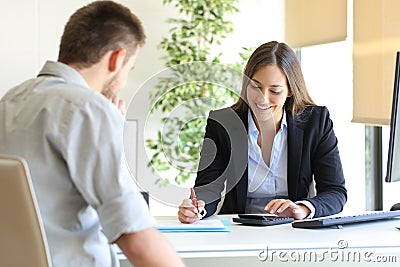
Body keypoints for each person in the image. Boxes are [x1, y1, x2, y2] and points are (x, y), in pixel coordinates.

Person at [0, 1, 185, 267]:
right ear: (117, 59)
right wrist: (103, 121)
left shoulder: (11, 100)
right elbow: (137, 240)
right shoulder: (87, 109)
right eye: (129, 69)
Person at [178, 41, 347, 223]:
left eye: (274, 91)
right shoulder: (223, 123)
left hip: (294, 228)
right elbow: (208, 187)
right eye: (255, 87)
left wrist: (302, 208)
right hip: (240, 229)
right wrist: (198, 208)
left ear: (290, 91)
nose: (262, 99)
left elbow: (335, 191)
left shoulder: (316, 122)